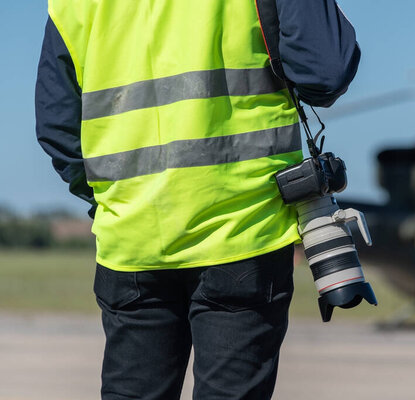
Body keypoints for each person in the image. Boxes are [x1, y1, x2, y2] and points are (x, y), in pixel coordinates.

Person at [35, 1, 360, 399]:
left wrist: (114, 200)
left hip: (131, 238)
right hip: (243, 231)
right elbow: (325, 73)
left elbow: (57, 126)